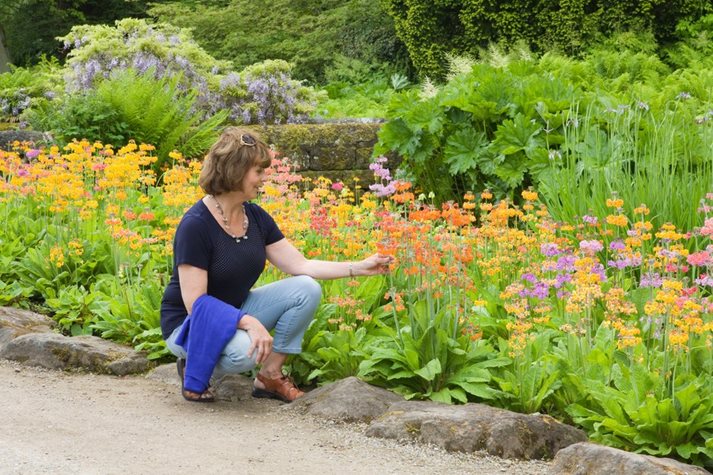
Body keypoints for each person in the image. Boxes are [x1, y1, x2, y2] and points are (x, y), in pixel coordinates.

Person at [160, 127, 392, 403]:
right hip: (189, 324)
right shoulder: (196, 225)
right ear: (235, 171)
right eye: (258, 171)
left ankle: (269, 375)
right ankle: (194, 363)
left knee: (305, 288)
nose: (263, 178)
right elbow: (196, 305)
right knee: (245, 352)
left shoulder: (255, 218)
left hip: (234, 312)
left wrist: (360, 267)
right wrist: (248, 323)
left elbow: (302, 265)